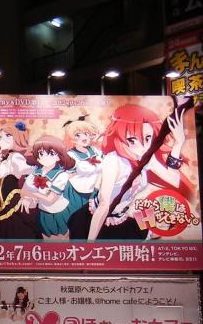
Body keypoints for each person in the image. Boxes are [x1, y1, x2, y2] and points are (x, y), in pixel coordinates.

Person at [68, 101, 193, 242]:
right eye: (132, 140)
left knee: (147, 234)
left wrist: (178, 143)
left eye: (147, 138)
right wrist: (90, 244)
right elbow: (104, 205)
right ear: (119, 137)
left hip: (125, 215)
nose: (142, 146)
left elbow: (174, 180)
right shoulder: (114, 161)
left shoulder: (145, 158)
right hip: (98, 219)